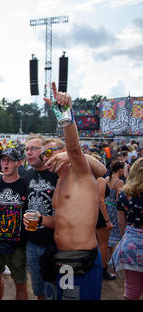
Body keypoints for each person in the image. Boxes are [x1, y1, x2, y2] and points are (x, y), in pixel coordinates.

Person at [41, 82, 103, 300]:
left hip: (83, 258)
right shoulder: (59, 181)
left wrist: (65, 115)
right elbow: (62, 221)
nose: (47, 158)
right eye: (44, 155)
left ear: (64, 152)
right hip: (64, 260)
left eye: (50, 152)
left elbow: (75, 148)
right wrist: (40, 218)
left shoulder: (81, 175)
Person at [0, 148, 29, 300]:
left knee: (21, 284)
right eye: (3, 160)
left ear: (18, 163)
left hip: (17, 246)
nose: (5, 164)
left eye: (10, 161)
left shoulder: (25, 184)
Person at [109, 157, 143, 300]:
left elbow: (122, 223)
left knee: (131, 291)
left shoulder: (124, 194)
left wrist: (127, 239)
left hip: (131, 245)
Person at [96, 176, 116, 280]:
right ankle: (103, 271)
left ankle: (96, 269)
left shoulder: (85, 177)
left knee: (95, 244)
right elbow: (101, 201)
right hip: (100, 215)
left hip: (88, 213)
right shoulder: (100, 179)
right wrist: (107, 220)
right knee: (103, 244)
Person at [105, 161, 125, 252]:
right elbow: (118, 199)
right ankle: (113, 258)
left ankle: (107, 258)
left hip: (106, 208)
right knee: (116, 234)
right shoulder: (119, 182)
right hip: (114, 209)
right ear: (120, 170)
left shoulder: (106, 179)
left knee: (108, 233)